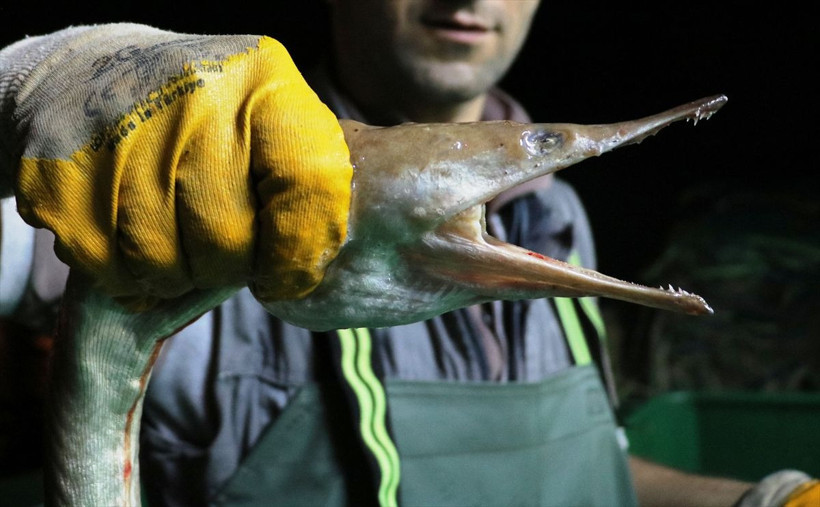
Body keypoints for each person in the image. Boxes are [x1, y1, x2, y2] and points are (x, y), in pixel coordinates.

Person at [0, 2, 817, 506]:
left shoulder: (556, 212)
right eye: (548, 142)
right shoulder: (156, 179)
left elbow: (571, 471)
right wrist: (35, 81)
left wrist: (767, 498)